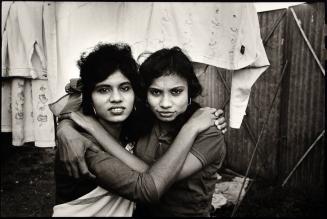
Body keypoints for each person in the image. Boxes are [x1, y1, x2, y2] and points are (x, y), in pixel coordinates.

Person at [51, 43, 225, 216]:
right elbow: (76, 91)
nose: (165, 103)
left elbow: (153, 178)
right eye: (156, 92)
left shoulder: (207, 131)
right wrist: (65, 127)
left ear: (190, 91)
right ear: (145, 93)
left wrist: (192, 127)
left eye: (176, 92)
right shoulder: (139, 123)